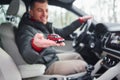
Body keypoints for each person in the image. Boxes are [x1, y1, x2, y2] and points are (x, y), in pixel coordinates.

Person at [15, 0, 92, 75]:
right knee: (84, 66)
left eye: (46, 10)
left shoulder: (39, 25)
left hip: (50, 58)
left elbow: (62, 32)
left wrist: (80, 21)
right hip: (45, 65)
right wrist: (36, 46)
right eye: (39, 10)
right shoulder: (25, 29)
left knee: (77, 56)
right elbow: (27, 54)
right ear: (31, 12)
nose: (44, 14)